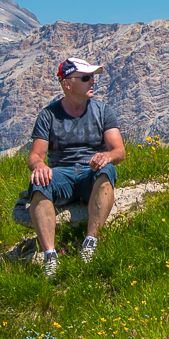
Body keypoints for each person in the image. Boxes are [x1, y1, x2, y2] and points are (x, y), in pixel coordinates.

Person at [27, 58, 126, 278]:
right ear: (67, 84)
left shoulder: (103, 111)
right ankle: (50, 256)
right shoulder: (48, 116)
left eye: (93, 77)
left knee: (108, 171)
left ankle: (90, 242)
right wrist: (39, 166)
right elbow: (35, 155)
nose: (93, 82)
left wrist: (107, 156)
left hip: (89, 172)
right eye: (86, 78)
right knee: (38, 181)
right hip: (60, 173)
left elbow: (119, 151)